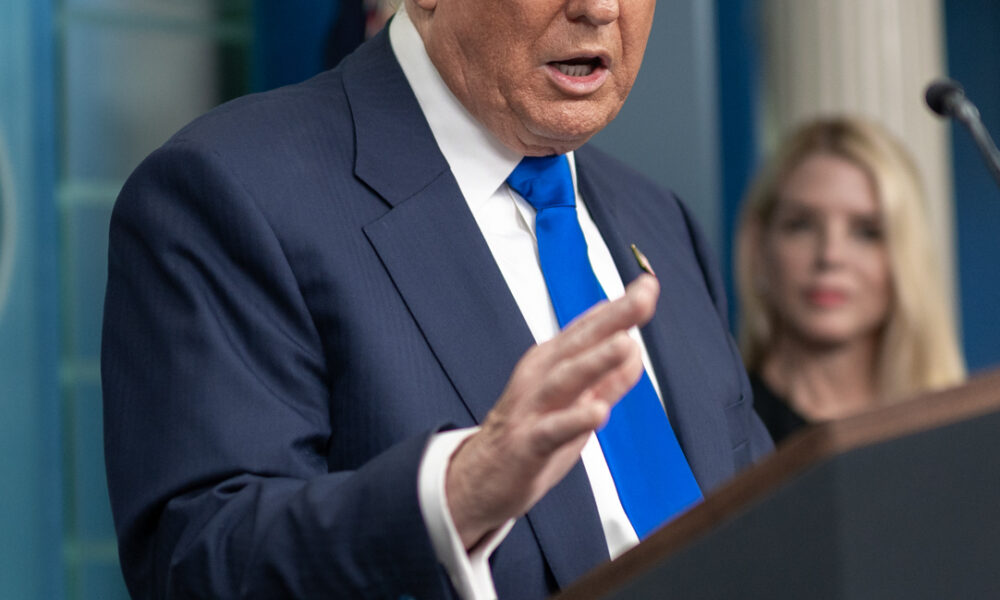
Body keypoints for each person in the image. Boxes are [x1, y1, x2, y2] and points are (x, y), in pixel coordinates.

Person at [101, 0, 772, 598]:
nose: (599, 8)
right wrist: (455, 495)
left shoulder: (661, 222)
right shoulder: (233, 190)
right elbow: (198, 562)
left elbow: (769, 522)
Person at [735, 116, 966, 445]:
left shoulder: (957, 435)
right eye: (801, 225)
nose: (830, 256)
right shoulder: (720, 430)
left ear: (906, 257)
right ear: (759, 247)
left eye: (867, 232)